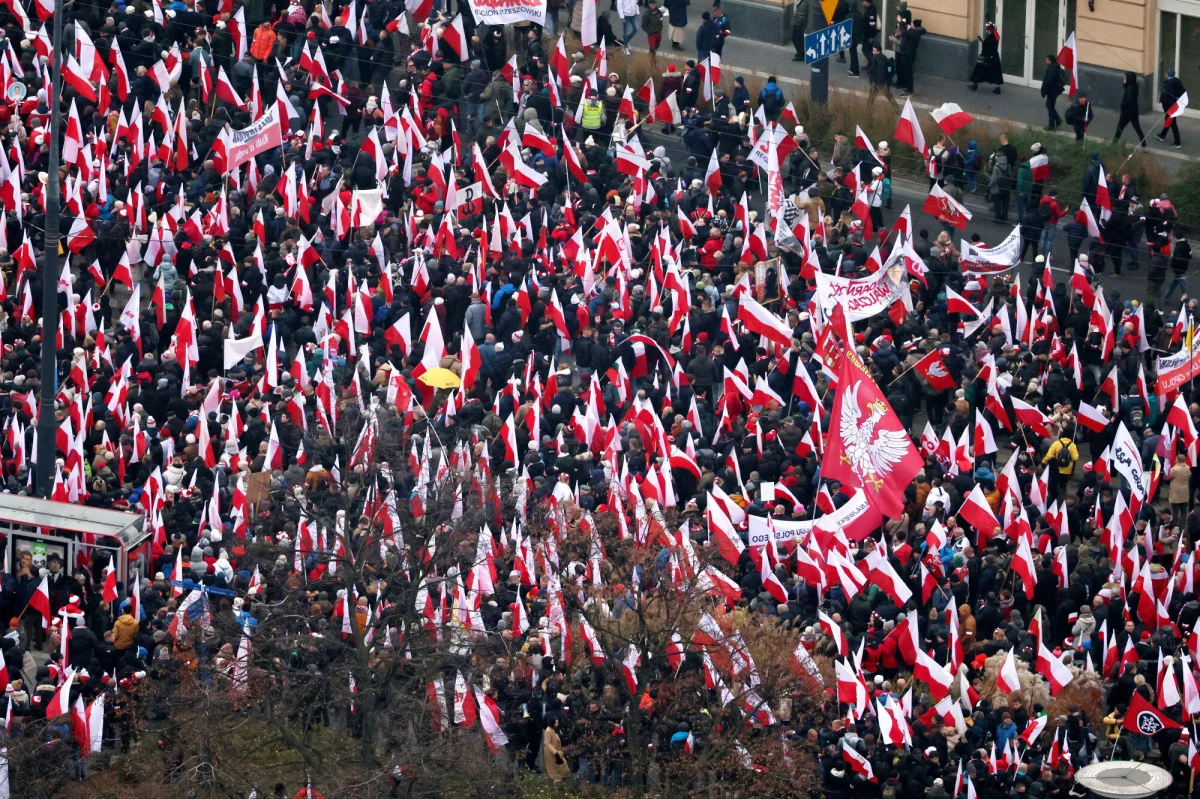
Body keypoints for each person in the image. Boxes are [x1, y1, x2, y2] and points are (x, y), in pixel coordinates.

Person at [891, 17, 925, 96]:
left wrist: (900, 22)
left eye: (913, 24)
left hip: (908, 55)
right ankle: (907, 87)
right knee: (907, 72)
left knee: (908, 72)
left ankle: (909, 90)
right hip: (907, 54)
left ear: (915, 26)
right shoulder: (915, 32)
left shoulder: (914, 33)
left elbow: (904, 32)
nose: (911, 25)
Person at [1113, 71, 1147, 147]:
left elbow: (1128, 101)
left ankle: (1113, 145)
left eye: (1125, 78)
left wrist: (1123, 106)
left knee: (1119, 128)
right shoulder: (1135, 86)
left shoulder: (1129, 89)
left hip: (1126, 113)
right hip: (1134, 111)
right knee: (1138, 128)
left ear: (1129, 79)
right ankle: (1144, 145)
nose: (1123, 79)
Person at [967, 22, 1002, 93]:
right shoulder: (996, 35)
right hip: (994, 57)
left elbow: (987, 47)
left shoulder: (990, 38)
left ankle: (974, 85)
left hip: (986, 57)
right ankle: (998, 88)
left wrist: (983, 43)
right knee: (996, 72)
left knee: (978, 70)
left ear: (989, 29)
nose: (986, 30)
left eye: (987, 29)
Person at [1157, 69, 1185, 148]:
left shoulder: (1168, 83)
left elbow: (1166, 95)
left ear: (1168, 74)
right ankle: (1162, 135)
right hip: (1174, 105)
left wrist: (1163, 104)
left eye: (1166, 73)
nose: (1165, 74)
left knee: (1173, 124)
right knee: (1168, 120)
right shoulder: (1177, 82)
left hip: (1169, 106)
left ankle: (1178, 143)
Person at [866, 44, 897, 109]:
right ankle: (896, 108)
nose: (872, 52)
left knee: (884, 95)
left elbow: (881, 73)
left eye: (874, 51)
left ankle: (868, 108)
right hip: (880, 81)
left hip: (880, 82)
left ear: (878, 52)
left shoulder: (880, 62)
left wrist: (879, 85)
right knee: (887, 95)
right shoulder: (881, 57)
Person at [1040, 54, 1066, 130]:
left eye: (1047, 60)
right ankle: (1057, 120)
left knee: (1050, 106)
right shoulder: (1055, 67)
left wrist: (1044, 91)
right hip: (1055, 91)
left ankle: (1052, 125)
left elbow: (1048, 82)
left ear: (1050, 61)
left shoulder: (1052, 69)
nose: (1046, 61)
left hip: (1052, 91)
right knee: (1050, 106)